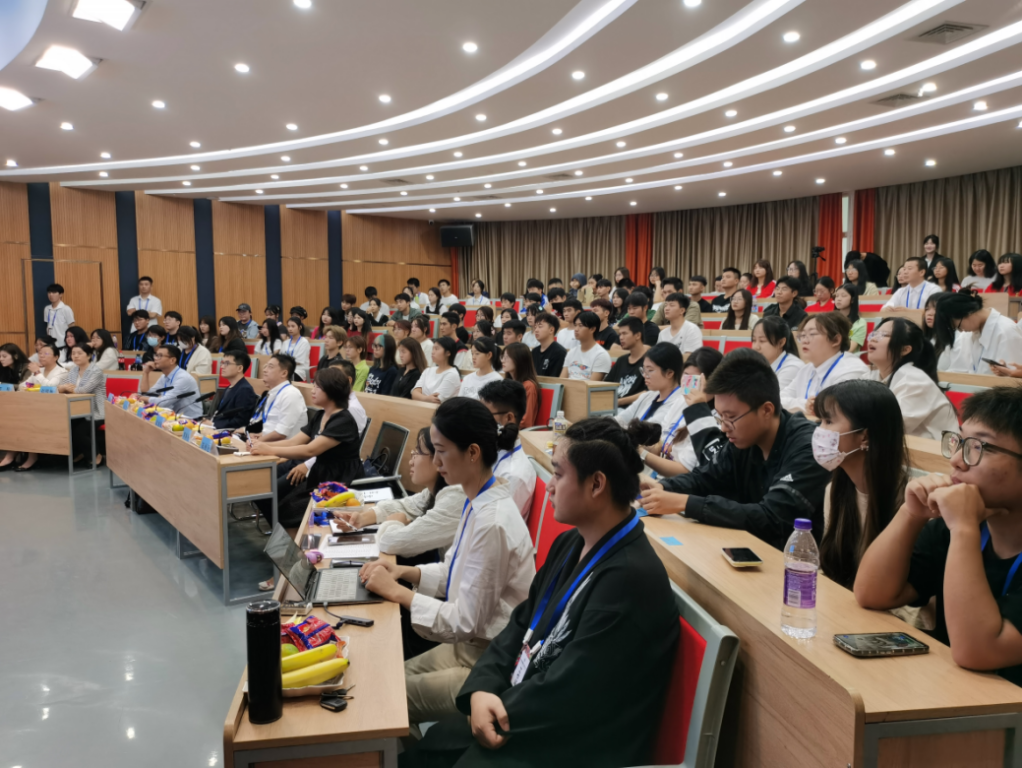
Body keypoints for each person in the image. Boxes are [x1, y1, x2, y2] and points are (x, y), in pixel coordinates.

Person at [407, 418, 681, 768]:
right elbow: (521, 623)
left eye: (558, 474)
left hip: (571, 740)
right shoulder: (572, 541)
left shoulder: (630, 580)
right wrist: (483, 688)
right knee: (429, 749)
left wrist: (497, 707)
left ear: (596, 484)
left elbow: (575, 689)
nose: (549, 486)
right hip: (526, 705)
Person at [358, 398, 534, 725]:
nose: (436, 461)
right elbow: (455, 571)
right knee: (382, 678)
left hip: (488, 659)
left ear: (472, 452)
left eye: (441, 451)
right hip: (470, 645)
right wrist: (404, 571)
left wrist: (397, 591)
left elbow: (464, 621)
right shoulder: (477, 497)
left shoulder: (492, 521)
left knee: (381, 695)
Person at [854, 388, 1022, 686]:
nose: (956, 460)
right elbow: (872, 594)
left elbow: (977, 651)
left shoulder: (962, 525)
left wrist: (963, 529)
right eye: (960, 442)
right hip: (955, 693)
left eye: (980, 447)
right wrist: (911, 513)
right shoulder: (957, 526)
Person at [640, 352, 830, 548]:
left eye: (731, 418)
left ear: (766, 410)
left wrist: (684, 503)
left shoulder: (808, 446)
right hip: (744, 545)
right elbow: (706, 477)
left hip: (788, 558)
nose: (723, 428)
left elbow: (773, 517)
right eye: (720, 417)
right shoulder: (744, 439)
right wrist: (663, 488)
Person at [814, 380, 907, 589]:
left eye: (828, 421)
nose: (819, 431)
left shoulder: (909, 501)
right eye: (820, 421)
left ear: (865, 436)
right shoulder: (834, 490)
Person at [252, 367, 364, 526]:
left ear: (332, 390)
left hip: (339, 479)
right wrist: (262, 445)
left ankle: (294, 538)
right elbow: (293, 442)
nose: (313, 390)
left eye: (318, 387)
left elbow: (310, 450)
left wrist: (269, 450)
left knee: (289, 509)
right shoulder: (321, 415)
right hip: (320, 473)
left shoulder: (343, 420)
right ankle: (286, 537)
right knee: (266, 496)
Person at [338, 427, 467, 560]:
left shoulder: (456, 500)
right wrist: (363, 518)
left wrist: (393, 523)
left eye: (418, 452)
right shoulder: (436, 491)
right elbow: (407, 506)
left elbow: (393, 543)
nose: (411, 461)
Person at [638, 347, 725, 477]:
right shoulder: (681, 401)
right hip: (659, 476)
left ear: (713, 382)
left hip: (680, 484)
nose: (688, 385)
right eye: (685, 376)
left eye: (695, 380)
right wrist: (638, 445)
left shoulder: (715, 421)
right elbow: (662, 442)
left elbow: (684, 471)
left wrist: (641, 453)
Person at [866, 318, 958, 440]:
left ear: (904, 350)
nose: (873, 339)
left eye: (884, 335)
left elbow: (889, 428)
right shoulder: (870, 376)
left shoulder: (915, 381)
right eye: (874, 334)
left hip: (936, 449)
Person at [781, 314, 868, 415]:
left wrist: (809, 406)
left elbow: (834, 410)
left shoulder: (851, 370)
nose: (804, 340)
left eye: (812, 334)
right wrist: (805, 404)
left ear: (836, 340)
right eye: (802, 335)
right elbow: (779, 399)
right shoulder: (806, 369)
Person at [479, 380, 538, 519]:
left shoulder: (513, 475)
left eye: (485, 415)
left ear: (508, 418)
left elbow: (496, 524)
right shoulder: (494, 449)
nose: (479, 421)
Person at [934, 292, 1022, 375]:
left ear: (968, 312)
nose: (961, 331)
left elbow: (1014, 380)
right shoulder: (973, 332)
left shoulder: (1006, 332)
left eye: (958, 326)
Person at [53, 344, 107, 466]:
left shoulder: (96, 371)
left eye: (79, 353)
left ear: (89, 355)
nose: (75, 356)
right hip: (77, 410)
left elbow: (84, 390)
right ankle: (79, 453)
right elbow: (61, 387)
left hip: (96, 411)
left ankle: (96, 456)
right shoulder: (73, 370)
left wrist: (67, 389)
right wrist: (63, 388)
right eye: (73, 353)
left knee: (79, 431)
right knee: (66, 426)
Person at [614, 342, 686, 430]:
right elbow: (620, 419)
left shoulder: (680, 402)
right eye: (643, 370)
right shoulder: (647, 396)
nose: (644, 375)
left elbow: (648, 430)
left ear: (669, 373)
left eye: (650, 370)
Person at [244, 353, 308, 443]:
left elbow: (281, 433)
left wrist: (256, 442)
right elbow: (271, 426)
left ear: (284, 373)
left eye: (270, 367)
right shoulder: (273, 393)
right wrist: (260, 435)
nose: (264, 370)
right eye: (265, 366)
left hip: (283, 449)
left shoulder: (290, 394)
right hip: (268, 444)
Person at [138, 345, 203, 419]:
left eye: (160, 356)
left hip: (190, 420)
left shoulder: (183, 378)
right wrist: (146, 373)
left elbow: (163, 402)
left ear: (172, 360)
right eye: (156, 355)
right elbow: (147, 393)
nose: (155, 358)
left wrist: (141, 398)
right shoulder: (164, 376)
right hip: (172, 418)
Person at [207, 350, 259, 430]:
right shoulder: (230, 387)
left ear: (239, 368)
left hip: (227, 433)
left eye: (227, 363)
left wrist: (214, 424)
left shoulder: (245, 390)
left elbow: (240, 421)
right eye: (222, 363)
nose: (222, 367)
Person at [752, 315, 804, 390]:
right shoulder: (757, 365)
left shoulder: (792, 367)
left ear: (781, 342)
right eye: (754, 340)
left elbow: (775, 396)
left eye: (762, 341)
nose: (756, 347)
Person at [606, 316, 649, 407]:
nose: (621, 338)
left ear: (637, 335)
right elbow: (607, 384)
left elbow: (649, 392)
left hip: (633, 409)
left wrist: (619, 402)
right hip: (612, 407)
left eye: (624, 333)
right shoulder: (621, 360)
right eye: (620, 334)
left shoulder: (650, 361)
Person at [561, 311, 612, 381]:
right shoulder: (571, 352)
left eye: (580, 325)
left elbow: (592, 385)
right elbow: (562, 381)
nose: (576, 329)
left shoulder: (601, 355)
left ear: (592, 329)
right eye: (575, 325)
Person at [500, 342, 540, 429]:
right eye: (502, 357)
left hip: (518, 432)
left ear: (519, 360)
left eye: (507, 357)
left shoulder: (528, 386)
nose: (502, 360)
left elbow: (525, 422)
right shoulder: (507, 384)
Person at [413, 337, 462, 403]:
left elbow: (436, 400)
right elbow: (414, 394)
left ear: (448, 353)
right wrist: (427, 398)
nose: (432, 352)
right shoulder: (428, 370)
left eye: (436, 349)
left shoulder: (452, 374)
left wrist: (421, 397)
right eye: (433, 349)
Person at [531, 312, 567, 378]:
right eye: (535, 327)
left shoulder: (559, 352)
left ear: (551, 330)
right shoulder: (534, 351)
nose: (536, 330)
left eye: (540, 326)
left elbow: (554, 379)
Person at [834, 283, 866, 353]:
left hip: (846, 357)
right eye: (837, 296)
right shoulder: (829, 319)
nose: (838, 299)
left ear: (853, 299)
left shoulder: (859, 323)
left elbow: (849, 349)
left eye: (843, 296)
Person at [44, 283, 75, 352]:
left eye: (54, 292)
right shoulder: (47, 309)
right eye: (49, 292)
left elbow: (72, 327)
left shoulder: (66, 309)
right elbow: (48, 325)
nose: (51, 295)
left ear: (60, 294)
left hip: (63, 343)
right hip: (51, 343)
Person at [282, 316, 312, 382]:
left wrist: (285, 361)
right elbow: (281, 357)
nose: (290, 329)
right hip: (286, 369)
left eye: (293, 326)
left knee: (282, 377)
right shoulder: (285, 342)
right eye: (288, 326)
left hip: (299, 371)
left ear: (300, 327)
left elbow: (299, 360)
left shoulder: (304, 342)